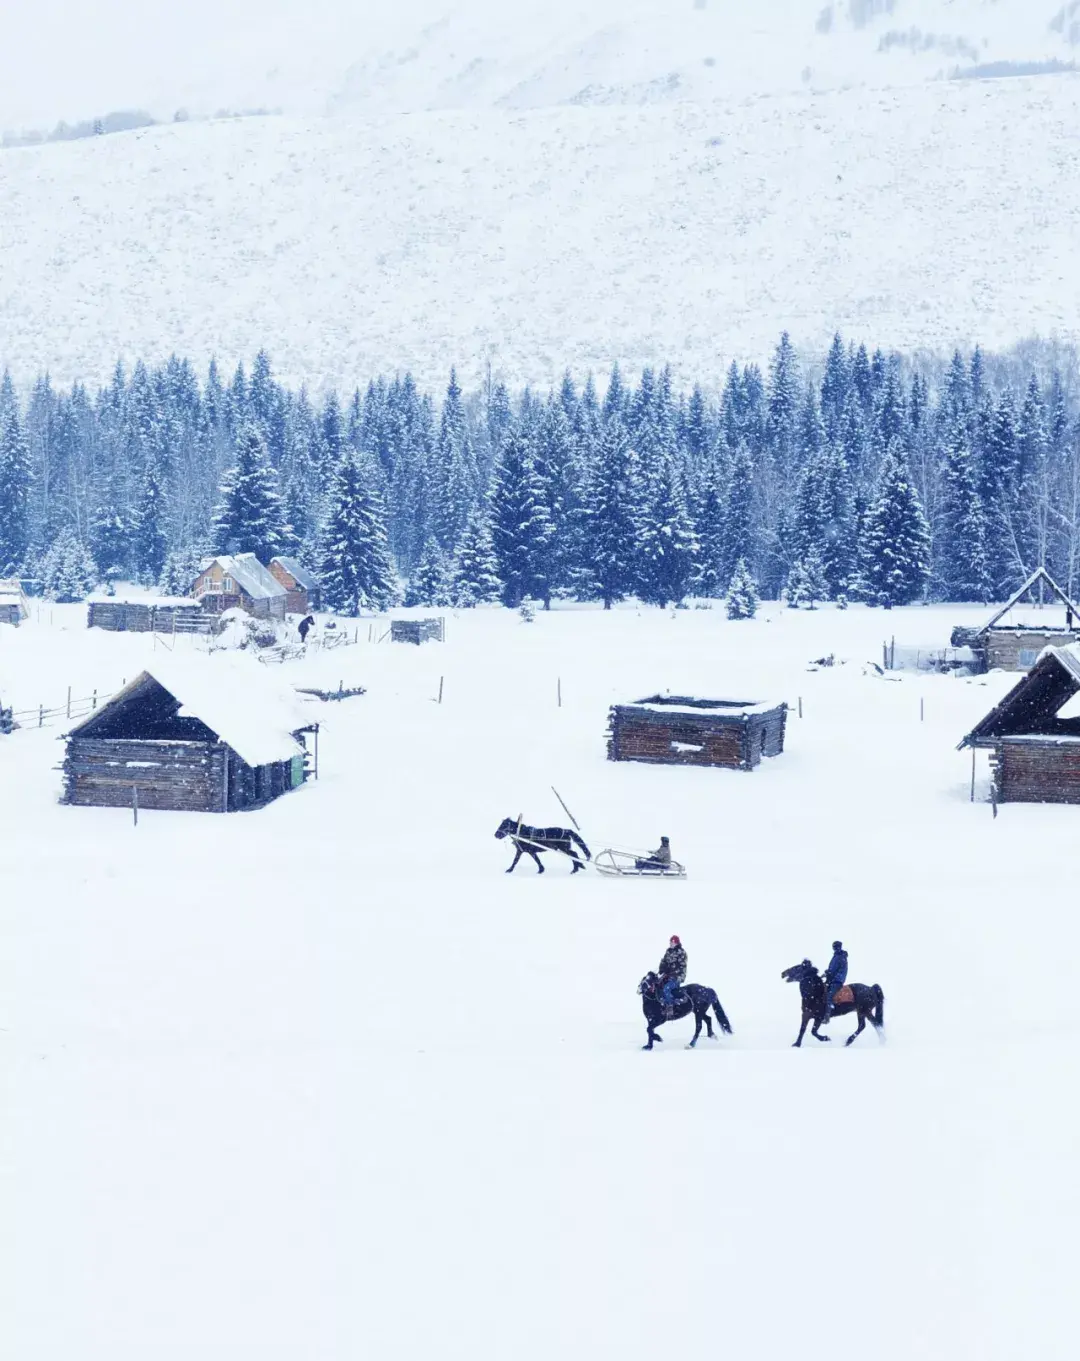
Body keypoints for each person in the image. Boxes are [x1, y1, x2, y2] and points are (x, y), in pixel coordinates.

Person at [658, 934, 687, 1018]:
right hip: (668, 975)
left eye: (672, 942)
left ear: (677, 943)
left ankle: (670, 1007)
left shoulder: (681, 952)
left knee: (667, 988)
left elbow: (681, 965)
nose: (671, 944)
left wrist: (672, 970)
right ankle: (661, 1005)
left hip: (677, 976)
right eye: (670, 942)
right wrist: (662, 968)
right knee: (658, 986)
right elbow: (664, 961)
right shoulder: (668, 951)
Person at [821, 940, 848, 1023]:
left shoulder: (842, 957)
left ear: (840, 947)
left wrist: (831, 976)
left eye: (837, 947)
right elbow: (831, 969)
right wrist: (826, 973)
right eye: (834, 947)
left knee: (829, 996)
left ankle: (827, 1017)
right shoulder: (835, 957)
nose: (835, 948)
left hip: (837, 980)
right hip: (832, 980)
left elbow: (839, 970)